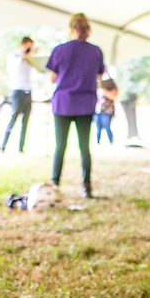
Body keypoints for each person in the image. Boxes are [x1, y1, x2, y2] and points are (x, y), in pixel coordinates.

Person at [46, 13, 107, 198]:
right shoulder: (96, 51)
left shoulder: (60, 49)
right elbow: (99, 76)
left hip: (63, 103)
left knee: (60, 146)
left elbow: (53, 78)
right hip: (85, 104)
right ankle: (87, 187)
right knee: (85, 147)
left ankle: (55, 184)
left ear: (71, 28)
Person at [1, 36, 40, 153]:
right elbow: (15, 68)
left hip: (28, 91)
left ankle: (21, 148)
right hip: (17, 91)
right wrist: (26, 55)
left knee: (25, 123)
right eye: (28, 46)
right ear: (23, 45)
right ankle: (3, 147)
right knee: (13, 120)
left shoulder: (29, 59)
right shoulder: (14, 56)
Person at [94, 78, 119, 144]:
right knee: (98, 128)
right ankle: (98, 143)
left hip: (107, 112)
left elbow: (114, 97)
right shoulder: (97, 87)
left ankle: (111, 142)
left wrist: (105, 92)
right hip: (97, 111)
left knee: (107, 127)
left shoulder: (111, 87)